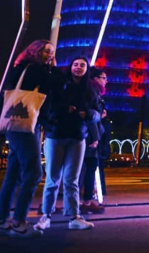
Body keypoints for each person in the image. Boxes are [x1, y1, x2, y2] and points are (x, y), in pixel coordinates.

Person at [0, 40, 59, 238]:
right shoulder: (35, 69)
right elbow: (58, 83)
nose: (50, 55)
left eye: (52, 52)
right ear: (35, 52)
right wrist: (54, 68)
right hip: (25, 126)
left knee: (13, 174)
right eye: (46, 51)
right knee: (34, 172)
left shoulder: (22, 68)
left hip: (15, 125)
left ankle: (3, 219)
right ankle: (19, 221)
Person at [37, 56, 100, 231]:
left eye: (82, 65)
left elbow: (97, 113)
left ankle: (74, 216)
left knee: (71, 180)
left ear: (87, 69)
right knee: (52, 179)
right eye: (75, 64)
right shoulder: (59, 84)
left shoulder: (90, 90)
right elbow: (46, 107)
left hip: (77, 137)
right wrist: (62, 111)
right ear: (70, 66)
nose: (79, 68)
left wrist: (86, 114)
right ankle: (45, 215)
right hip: (55, 136)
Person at [80, 68, 108, 214]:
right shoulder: (92, 91)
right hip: (89, 135)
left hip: (90, 134)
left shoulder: (93, 91)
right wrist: (95, 137)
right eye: (104, 78)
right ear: (96, 78)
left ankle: (84, 201)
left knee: (86, 168)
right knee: (89, 167)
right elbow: (90, 117)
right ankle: (85, 202)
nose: (106, 81)